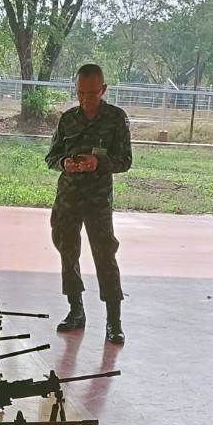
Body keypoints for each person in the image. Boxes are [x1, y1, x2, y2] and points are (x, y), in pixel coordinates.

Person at [45, 63, 133, 345]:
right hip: (68, 197)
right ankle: (75, 310)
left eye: (92, 93)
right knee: (67, 253)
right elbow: (51, 157)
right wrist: (65, 163)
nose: (85, 99)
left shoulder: (116, 119)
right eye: (80, 93)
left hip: (97, 200)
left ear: (103, 90)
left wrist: (99, 162)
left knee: (105, 256)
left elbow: (125, 161)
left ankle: (114, 321)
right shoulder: (68, 119)